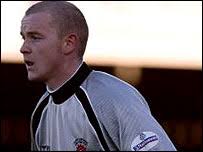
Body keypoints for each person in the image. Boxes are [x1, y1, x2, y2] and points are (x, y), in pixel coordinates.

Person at [20, 1, 177, 151]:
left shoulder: (113, 98)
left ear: (69, 43)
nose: (23, 48)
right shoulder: (41, 112)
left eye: (35, 37)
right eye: (23, 37)